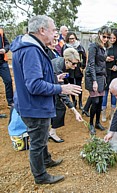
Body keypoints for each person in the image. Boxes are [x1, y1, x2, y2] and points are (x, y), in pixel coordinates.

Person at [10, 15, 82, 184]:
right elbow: (34, 85)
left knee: (41, 137)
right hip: (34, 106)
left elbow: (34, 77)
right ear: (42, 30)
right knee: (37, 141)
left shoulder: (30, 46)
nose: (55, 33)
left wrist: (53, 79)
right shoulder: (31, 50)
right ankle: (41, 176)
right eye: (53, 29)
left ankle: (46, 160)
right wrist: (61, 88)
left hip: (31, 103)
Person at [49, 48, 84, 143]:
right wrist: (75, 111)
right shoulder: (57, 67)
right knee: (59, 107)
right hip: (46, 87)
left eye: (77, 64)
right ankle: (51, 133)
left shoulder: (66, 65)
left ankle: (50, 131)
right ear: (66, 60)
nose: (75, 66)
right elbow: (62, 92)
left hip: (52, 86)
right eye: (73, 64)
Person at [85, 26, 111, 135]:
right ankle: (91, 124)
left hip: (102, 77)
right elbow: (91, 64)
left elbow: (100, 61)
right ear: (99, 34)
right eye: (104, 36)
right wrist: (94, 81)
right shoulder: (93, 46)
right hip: (93, 77)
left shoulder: (103, 47)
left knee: (100, 102)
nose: (105, 38)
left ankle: (97, 122)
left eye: (107, 37)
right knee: (94, 101)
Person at [101, 28, 117, 122]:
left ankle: (112, 114)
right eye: (111, 38)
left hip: (115, 74)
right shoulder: (104, 46)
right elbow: (99, 59)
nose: (112, 40)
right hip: (105, 73)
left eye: (114, 38)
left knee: (114, 94)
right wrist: (105, 59)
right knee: (104, 94)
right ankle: (103, 113)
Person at [62, 32, 87, 109]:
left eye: (73, 38)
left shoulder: (79, 46)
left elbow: (84, 56)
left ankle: (80, 102)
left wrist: (82, 66)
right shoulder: (65, 46)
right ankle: (74, 101)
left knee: (79, 86)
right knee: (71, 85)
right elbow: (62, 57)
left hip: (77, 69)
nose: (72, 40)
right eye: (70, 39)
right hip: (69, 69)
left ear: (75, 38)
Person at [0, 26, 14, 108]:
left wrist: (5, 49)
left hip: (2, 62)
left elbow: (7, 44)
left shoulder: (1, 31)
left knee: (8, 81)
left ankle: (10, 102)